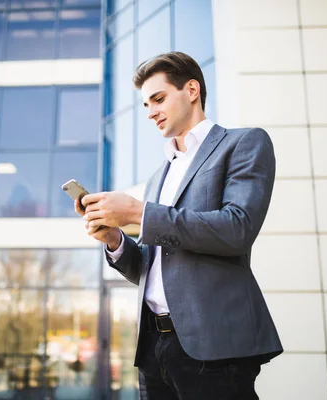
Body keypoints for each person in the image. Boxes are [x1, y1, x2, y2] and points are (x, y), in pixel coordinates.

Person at [76, 51, 282, 399]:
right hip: (154, 348)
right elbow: (152, 266)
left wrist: (139, 214)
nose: (152, 111)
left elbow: (237, 229)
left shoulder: (243, 143)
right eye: (146, 105)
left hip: (213, 347)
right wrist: (114, 240)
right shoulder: (160, 175)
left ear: (191, 90)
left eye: (158, 98)